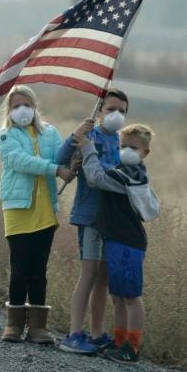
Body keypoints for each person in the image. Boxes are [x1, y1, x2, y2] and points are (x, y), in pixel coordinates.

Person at [73, 123, 157, 365]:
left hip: (128, 243)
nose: (127, 150)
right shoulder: (122, 169)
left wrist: (89, 150)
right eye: (123, 146)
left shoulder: (131, 175)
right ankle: (119, 340)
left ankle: (132, 346)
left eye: (133, 147)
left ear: (145, 152)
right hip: (116, 241)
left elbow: (96, 178)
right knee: (118, 296)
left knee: (131, 297)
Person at [0, 85, 74, 344]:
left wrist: (78, 142)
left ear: (34, 106)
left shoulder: (50, 133)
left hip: (45, 211)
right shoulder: (6, 135)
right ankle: (14, 325)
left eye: (26, 105)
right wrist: (55, 169)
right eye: (16, 106)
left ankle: (38, 328)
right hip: (19, 209)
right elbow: (19, 161)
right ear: (9, 110)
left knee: (39, 270)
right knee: (20, 268)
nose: (22, 110)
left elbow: (62, 156)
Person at [57, 88, 129, 355]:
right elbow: (60, 159)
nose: (116, 115)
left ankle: (97, 333)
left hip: (112, 220)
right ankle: (74, 333)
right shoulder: (90, 136)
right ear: (99, 112)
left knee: (103, 279)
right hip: (90, 217)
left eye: (122, 111)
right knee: (88, 275)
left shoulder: (121, 142)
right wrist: (77, 135)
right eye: (111, 109)